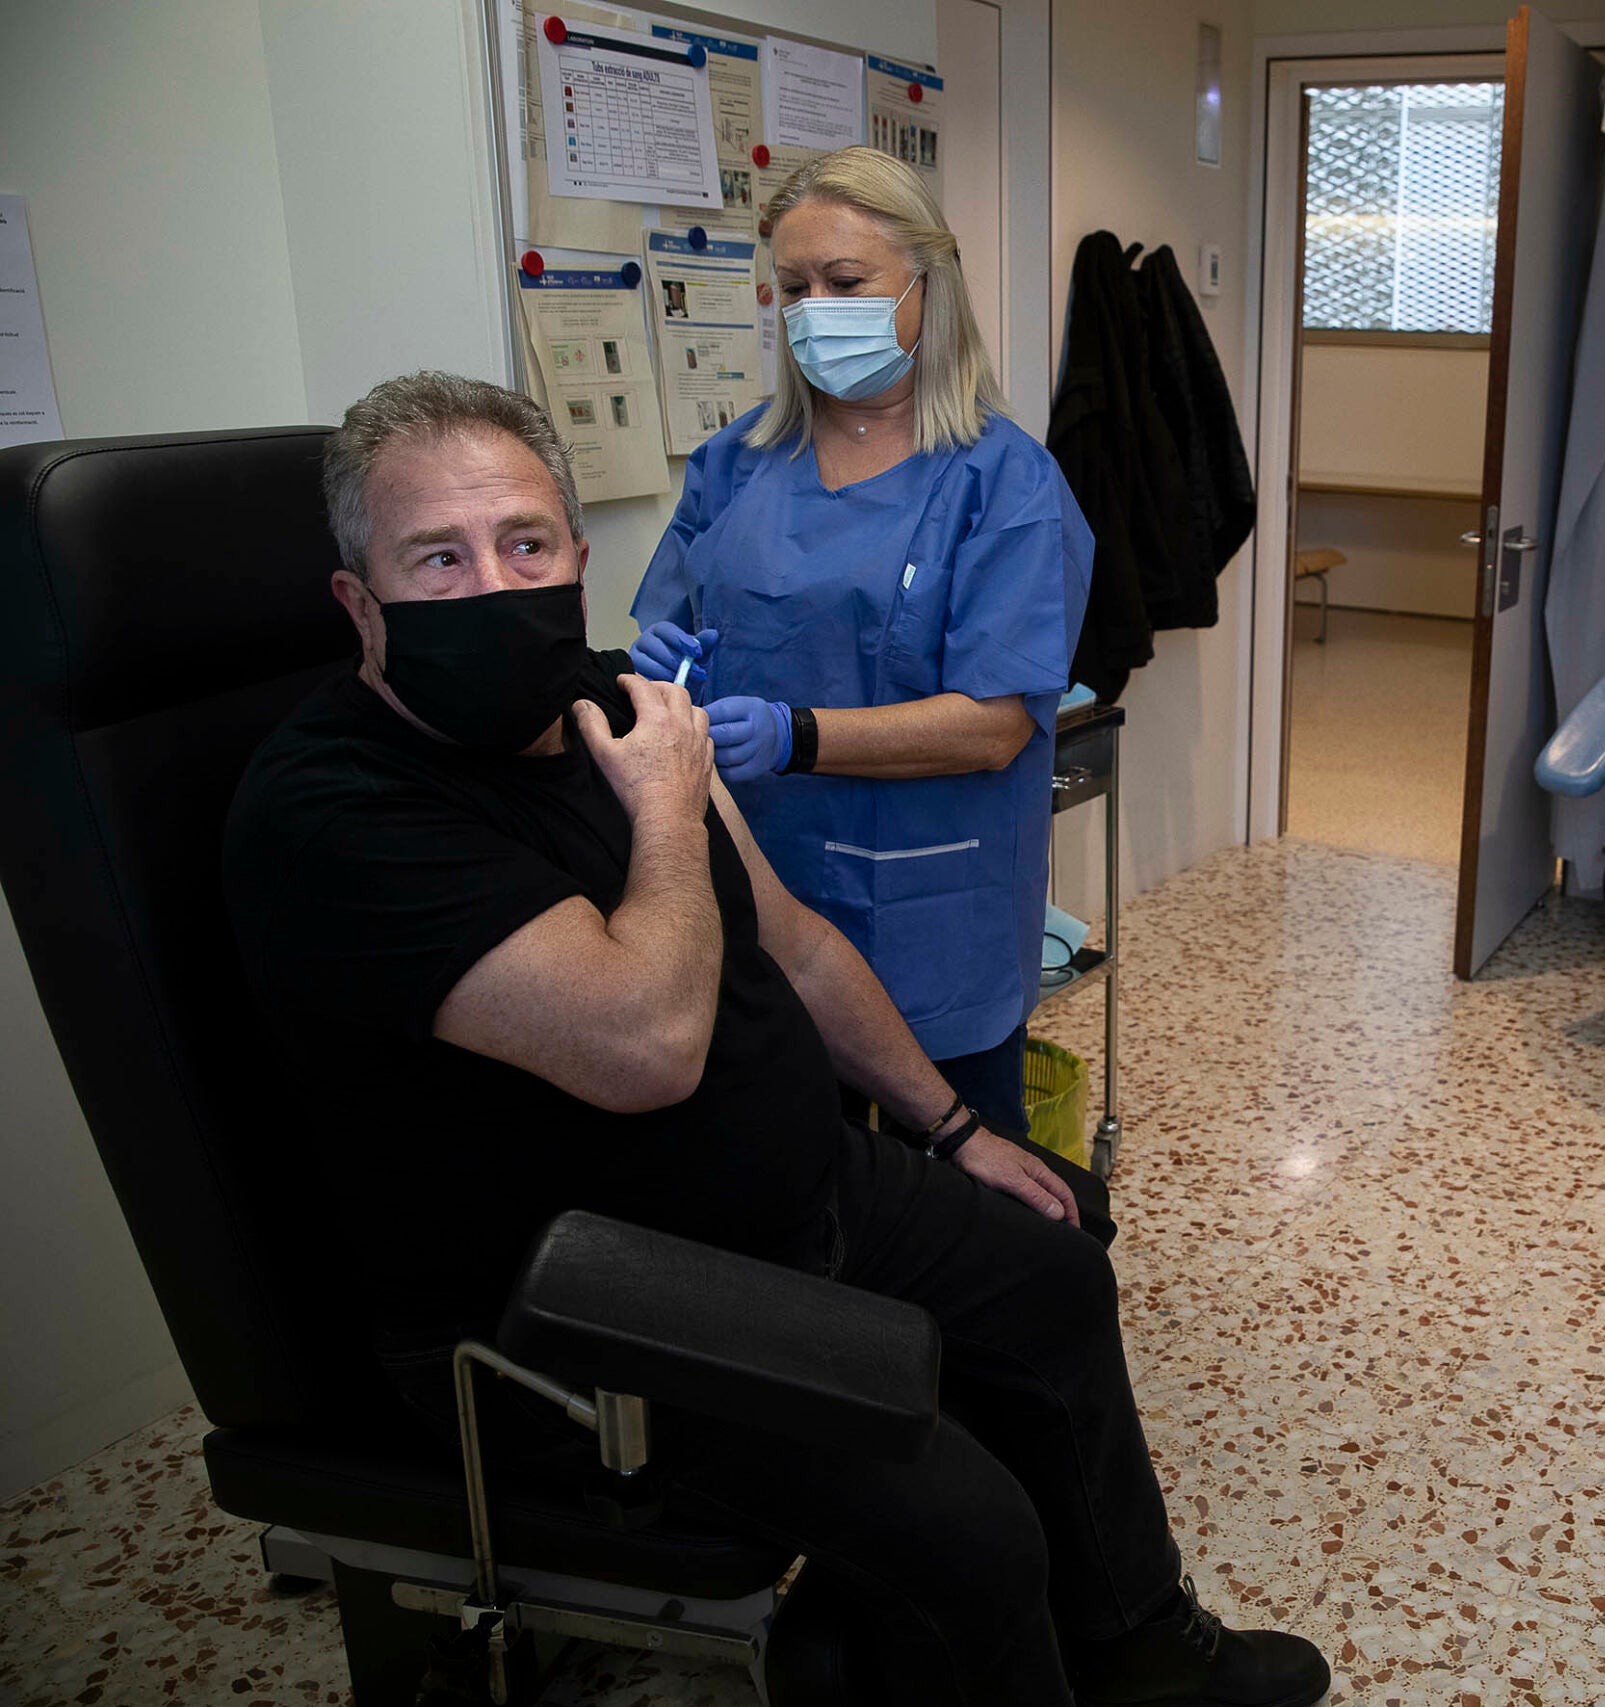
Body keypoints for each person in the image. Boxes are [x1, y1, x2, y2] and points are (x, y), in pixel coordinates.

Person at [223, 371, 1327, 1707]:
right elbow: (649, 1042)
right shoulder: (334, 810)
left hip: (797, 1189)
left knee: (1054, 1273)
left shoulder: (616, 705)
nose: (495, 584)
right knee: (971, 1530)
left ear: (580, 558)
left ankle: (1142, 1642)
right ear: (361, 601)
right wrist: (661, 814)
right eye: (436, 560)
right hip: (587, 1302)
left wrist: (954, 1124)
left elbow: (794, 941)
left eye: (524, 543)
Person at [627, 146, 1088, 1145]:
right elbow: (670, 624)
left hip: (932, 895)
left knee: (968, 1170)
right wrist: (656, 667)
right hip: (758, 879)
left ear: (926, 282)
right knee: (788, 1163)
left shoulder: (1002, 483)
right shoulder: (737, 462)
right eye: (793, 287)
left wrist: (796, 734)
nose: (813, 309)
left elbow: (998, 725)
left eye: (845, 282)